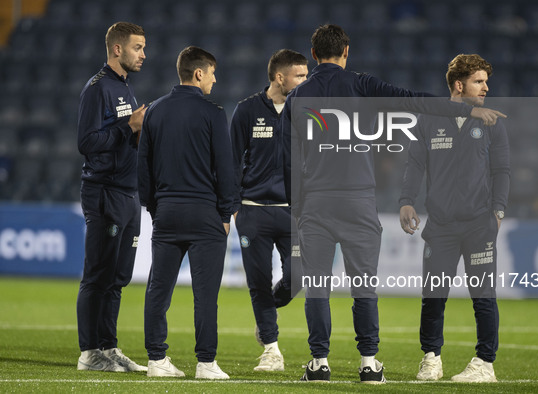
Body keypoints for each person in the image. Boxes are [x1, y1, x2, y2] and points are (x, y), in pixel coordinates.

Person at [281, 24, 506, 384]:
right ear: (346, 52)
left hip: (317, 205)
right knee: (364, 288)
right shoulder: (363, 85)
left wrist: (298, 208)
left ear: (313, 54)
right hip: (358, 201)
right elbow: (410, 100)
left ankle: (319, 363)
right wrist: (463, 111)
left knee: (318, 287)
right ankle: (369, 363)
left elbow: (288, 161)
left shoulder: (296, 98)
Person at [399, 54, 510, 383]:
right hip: (441, 227)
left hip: (479, 225)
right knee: (433, 296)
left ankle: (484, 364)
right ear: (459, 85)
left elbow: (502, 170)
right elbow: (414, 165)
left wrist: (498, 210)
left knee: (483, 296)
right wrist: (406, 201)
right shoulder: (429, 119)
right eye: (479, 81)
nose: (486, 88)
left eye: (485, 81)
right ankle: (431, 358)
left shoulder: (491, 121)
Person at [138, 46, 234, 380]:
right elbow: (226, 168)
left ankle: (156, 360)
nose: (214, 79)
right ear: (198, 73)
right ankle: (206, 364)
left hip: (166, 212)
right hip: (205, 214)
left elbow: (144, 168)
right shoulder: (213, 112)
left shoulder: (154, 111)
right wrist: (227, 212)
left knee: (158, 290)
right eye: (212, 73)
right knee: (205, 296)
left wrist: (154, 207)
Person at [76, 21, 147, 373]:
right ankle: (89, 353)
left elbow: (122, 139)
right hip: (104, 192)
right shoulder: (97, 89)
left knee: (118, 277)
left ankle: (108, 345)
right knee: (98, 274)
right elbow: (86, 144)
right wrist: (128, 128)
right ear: (117, 49)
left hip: (128, 193)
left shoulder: (124, 89)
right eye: (138, 47)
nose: (143, 55)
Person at [230, 49, 308, 372]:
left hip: (292, 212)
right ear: (280, 77)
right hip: (253, 211)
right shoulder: (247, 110)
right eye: (300, 76)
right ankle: (272, 350)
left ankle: (266, 315)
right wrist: (234, 208)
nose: (306, 81)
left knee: (299, 275)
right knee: (258, 281)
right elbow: (231, 161)